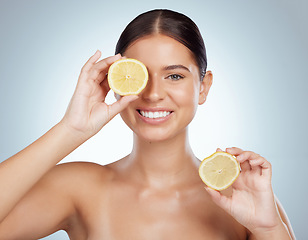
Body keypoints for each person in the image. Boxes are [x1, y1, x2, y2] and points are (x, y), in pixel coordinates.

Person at [0, 9, 295, 240]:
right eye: (139, 74)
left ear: (203, 87)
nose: (153, 94)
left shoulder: (244, 199)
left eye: (175, 76)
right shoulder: (79, 188)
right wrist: (71, 130)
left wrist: (269, 230)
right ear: (116, 82)